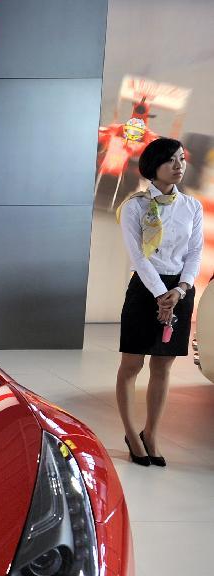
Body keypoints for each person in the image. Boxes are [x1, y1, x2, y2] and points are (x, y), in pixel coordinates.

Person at [115, 138, 203, 466]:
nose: (179, 166)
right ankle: (130, 433)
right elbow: (138, 256)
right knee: (132, 365)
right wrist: (158, 294)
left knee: (163, 366)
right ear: (154, 166)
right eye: (171, 160)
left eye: (182, 159)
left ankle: (151, 434)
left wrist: (179, 290)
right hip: (145, 290)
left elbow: (195, 253)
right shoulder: (134, 206)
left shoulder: (191, 207)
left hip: (179, 290)